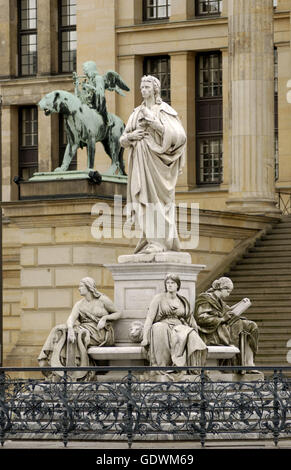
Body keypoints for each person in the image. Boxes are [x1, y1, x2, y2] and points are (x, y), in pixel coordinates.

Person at [120, 75, 187, 255]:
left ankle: (161, 242)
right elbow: (122, 139)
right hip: (141, 161)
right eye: (142, 87)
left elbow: (180, 137)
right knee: (145, 201)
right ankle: (151, 241)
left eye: (147, 87)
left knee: (160, 202)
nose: (143, 90)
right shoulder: (136, 112)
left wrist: (154, 124)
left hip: (159, 165)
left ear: (155, 89)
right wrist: (131, 137)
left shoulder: (165, 110)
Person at [38, 277, 121, 381]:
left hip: (99, 332)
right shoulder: (79, 304)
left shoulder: (102, 300)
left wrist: (105, 318)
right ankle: (46, 360)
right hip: (84, 330)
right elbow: (71, 319)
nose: (79, 288)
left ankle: (75, 369)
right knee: (60, 329)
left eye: (81, 286)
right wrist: (70, 329)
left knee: (78, 333)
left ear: (89, 287)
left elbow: (118, 313)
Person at [141, 273, 207, 377]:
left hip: (179, 327)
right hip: (163, 325)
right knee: (159, 327)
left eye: (172, 283)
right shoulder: (158, 298)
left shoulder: (183, 301)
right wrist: (145, 338)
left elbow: (190, 320)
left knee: (190, 334)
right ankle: (163, 367)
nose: (170, 285)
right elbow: (149, 319)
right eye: (167, 283)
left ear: (177, 285)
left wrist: (196, 332)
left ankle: (189, 368)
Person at [194, 277, 259, 369]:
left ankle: (249, 363)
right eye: (228, 291)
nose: (228, 295)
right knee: (240, 325)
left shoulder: (218, 300)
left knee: (251, 326)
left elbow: (229, 310)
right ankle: (241, 364)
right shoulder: (204, 298)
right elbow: (201, 319)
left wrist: (241, 303)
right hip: (212, 331)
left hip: (222, 327)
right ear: (222, 288)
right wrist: (222, 319)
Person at [73, 61, 129, 127]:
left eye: (85, 69)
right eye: (83, 70)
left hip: (98, 105)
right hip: (89, 106)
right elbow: (79, 98)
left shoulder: (98, 79)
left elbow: (100, 93)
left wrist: (90, 88)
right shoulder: (88, 81)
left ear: (90, 69)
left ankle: (105, 121)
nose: (84, 71)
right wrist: (76, 86)